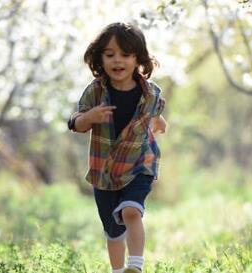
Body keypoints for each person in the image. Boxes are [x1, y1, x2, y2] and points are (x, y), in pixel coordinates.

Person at [68, 22, 167, 273]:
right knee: (113, 231)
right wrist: (89, 117)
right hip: (104, 171)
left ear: (138, 58)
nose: (117, 60)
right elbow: (75, 123)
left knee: (131, 211)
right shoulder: (95, 92)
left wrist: (159, 122)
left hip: (139, 164)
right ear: (100, 58)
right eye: (110, 54)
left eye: (125, 54)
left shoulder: (151, 93)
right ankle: (117, 270)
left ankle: (135, 265)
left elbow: (154, 112)